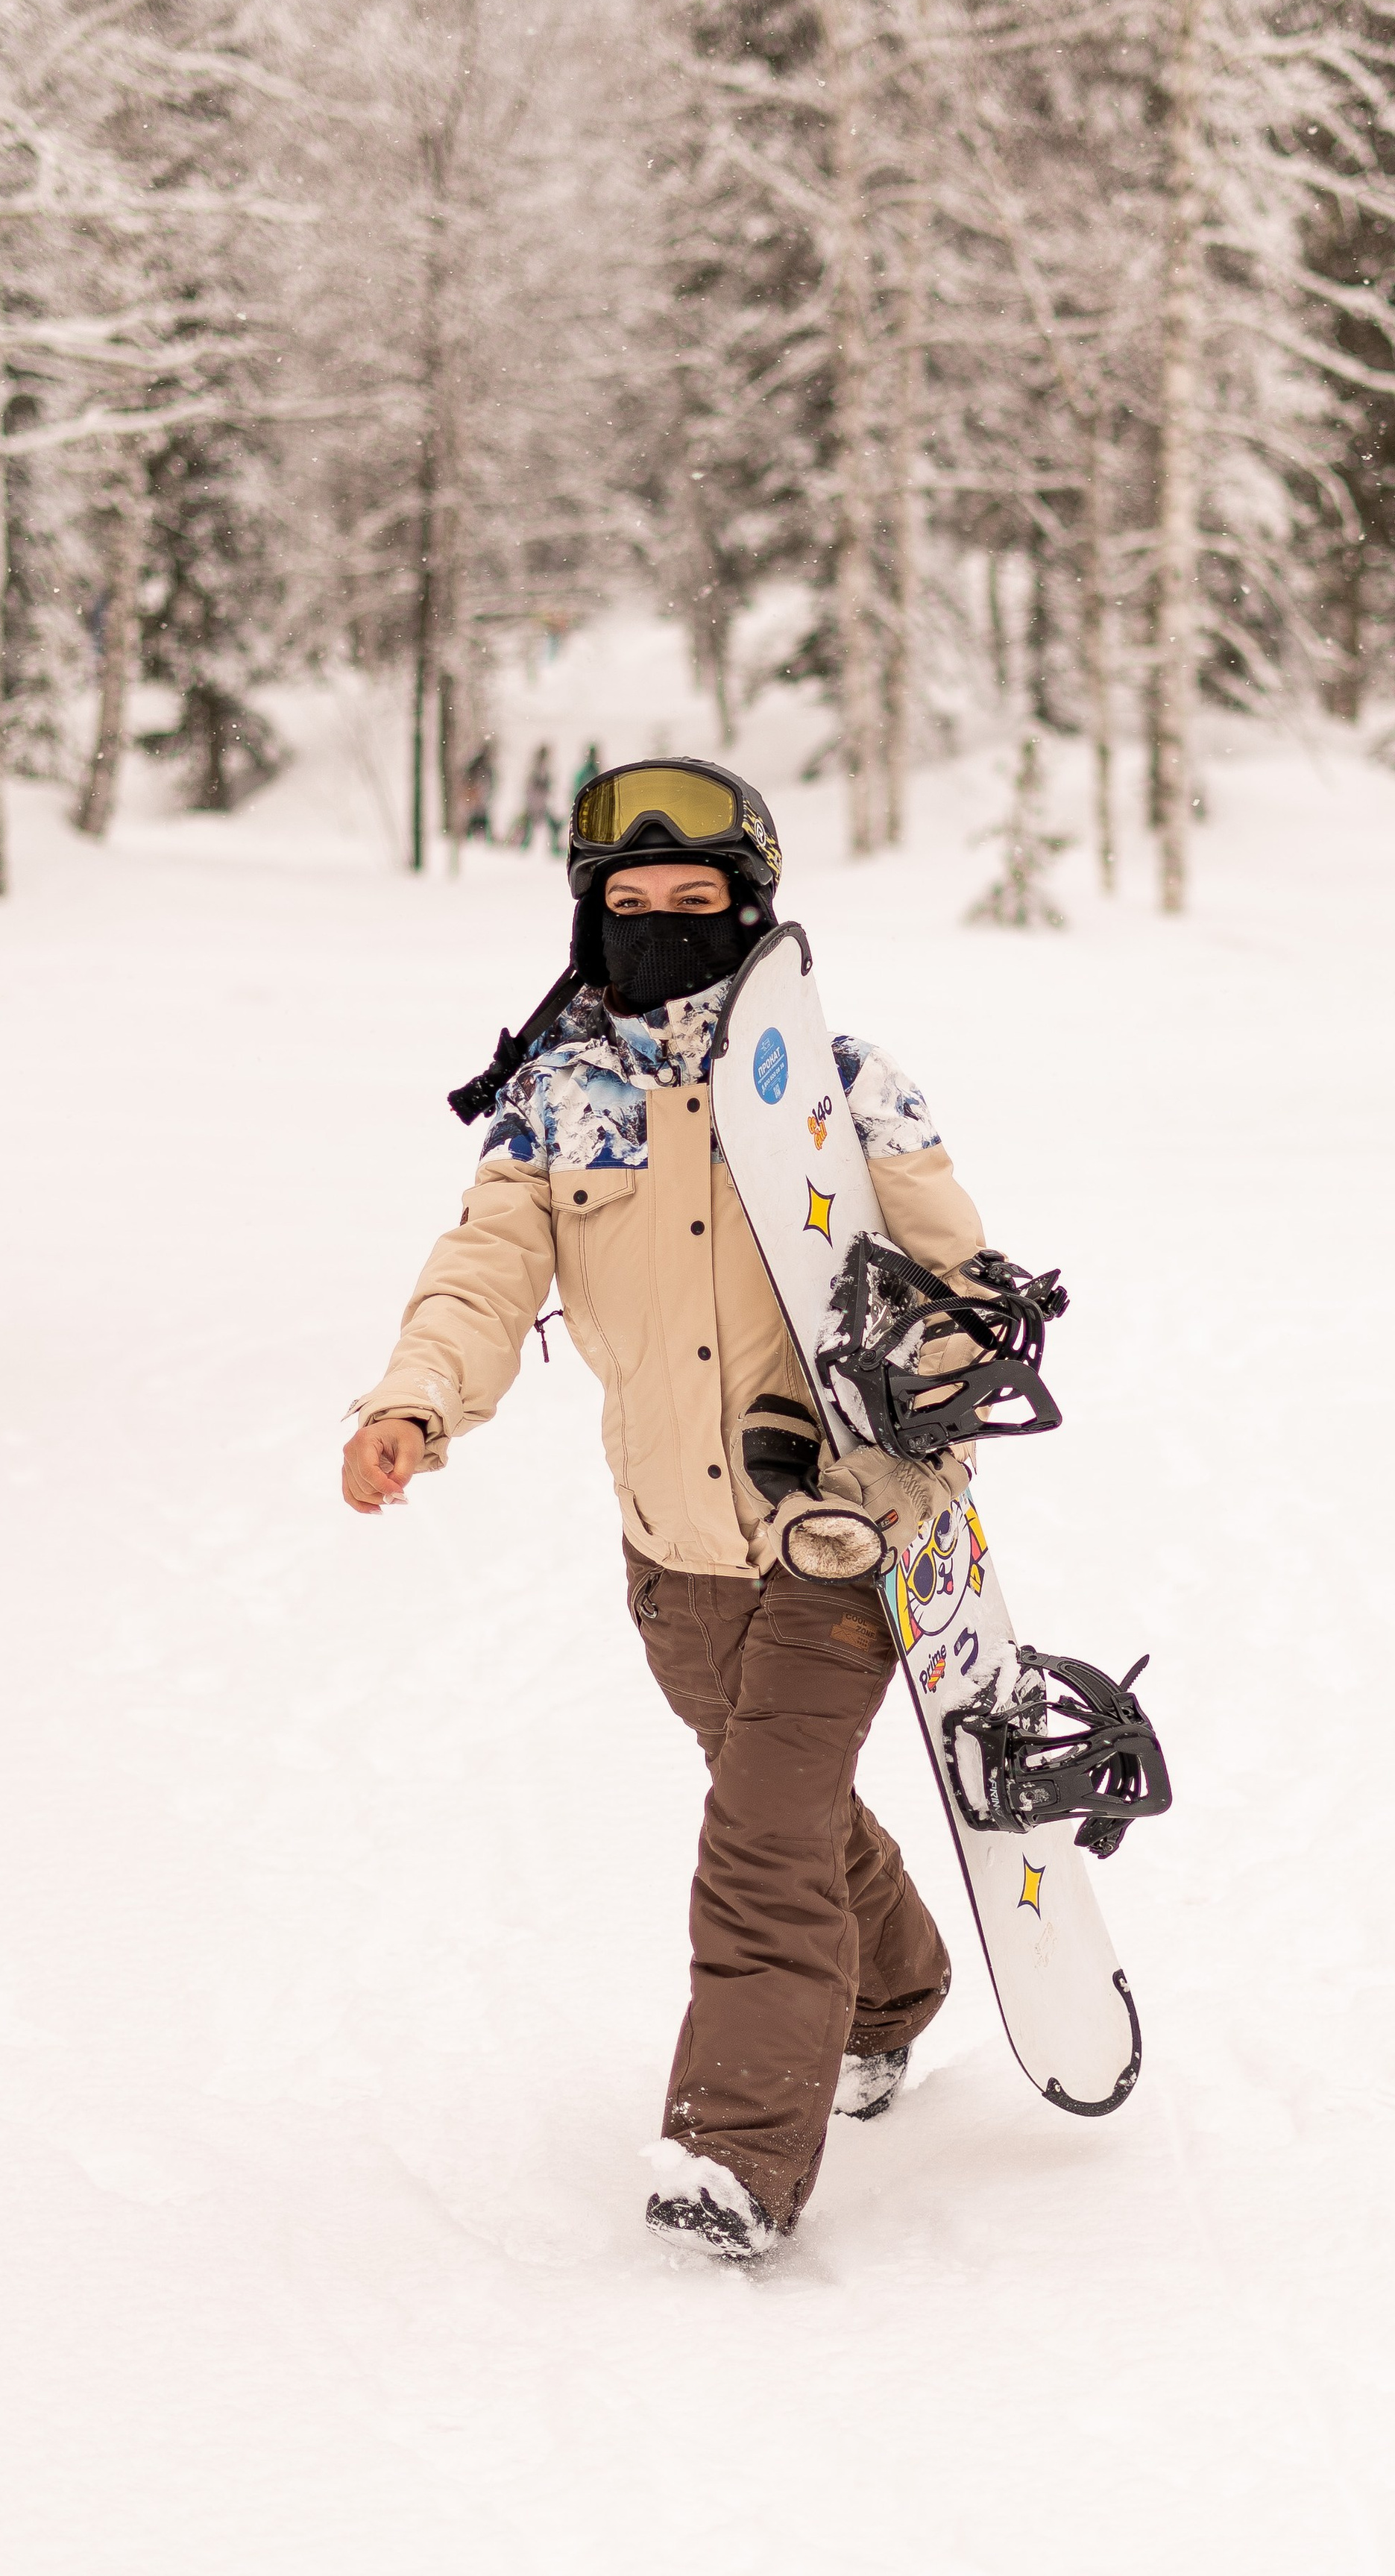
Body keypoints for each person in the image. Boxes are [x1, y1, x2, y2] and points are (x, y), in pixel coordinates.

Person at [342, 758, 987, 2261]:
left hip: (834, 1537)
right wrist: (410, 1404)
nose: (654, 931)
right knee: (785, 1805)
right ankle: (887, 1995)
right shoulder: (553, 1104)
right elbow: (485, 1273)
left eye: (689, 906)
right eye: (624, 907)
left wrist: (903, 1457)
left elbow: (965, 1296)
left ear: (751, 911)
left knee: (757, 1843)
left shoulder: (846, 1086)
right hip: (671, 1553)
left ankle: (735, 2154)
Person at [514, 741, 562, 854]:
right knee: (528, 824)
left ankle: (552, 848)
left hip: (540, 800)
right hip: (536, 800)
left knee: (544, 824)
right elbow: (533, 785)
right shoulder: (537, 767)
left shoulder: (542, 767)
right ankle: (523, 845)